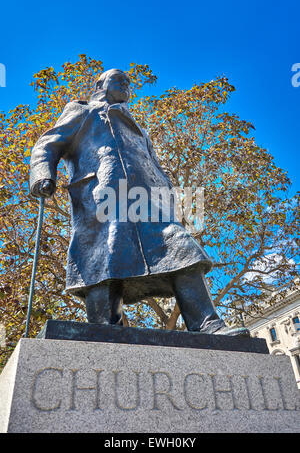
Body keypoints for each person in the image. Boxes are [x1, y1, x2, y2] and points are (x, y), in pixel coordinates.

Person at [30, 68, 249, 337]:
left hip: (149, 203)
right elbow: (46, 144)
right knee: (104, 259)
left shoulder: (140, 130)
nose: (125, 83)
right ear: (100, 84)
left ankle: (208, 325)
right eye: (118, 79)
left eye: (128, 82)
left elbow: (154, 165)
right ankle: (104, 329)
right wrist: (42, 175)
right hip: (102, 198)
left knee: (182, 247)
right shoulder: (83, 111)